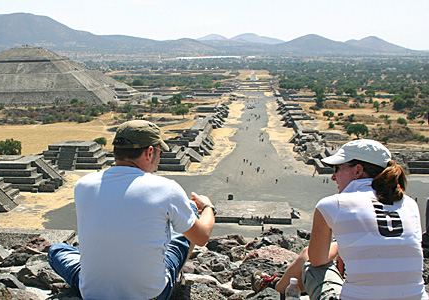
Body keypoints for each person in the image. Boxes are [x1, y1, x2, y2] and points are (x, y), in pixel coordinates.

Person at [48, 120, 216, 300]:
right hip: (152, 294)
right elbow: (201, 237)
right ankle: (175, 275)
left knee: (57, 250)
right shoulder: (166, 188)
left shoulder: (83, 184)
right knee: (187, 216)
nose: (159, 159)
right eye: (159, 152)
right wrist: (207, 207)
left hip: (92, 292)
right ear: (149, 152)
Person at [252, 139, 428, 300]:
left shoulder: (333, 204)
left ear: (357, 170)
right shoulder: (409, 203)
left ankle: (275, 287)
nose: (333, 177)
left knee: (308, 255)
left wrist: (339, 246)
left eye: (337, 169)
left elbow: (317, 260)